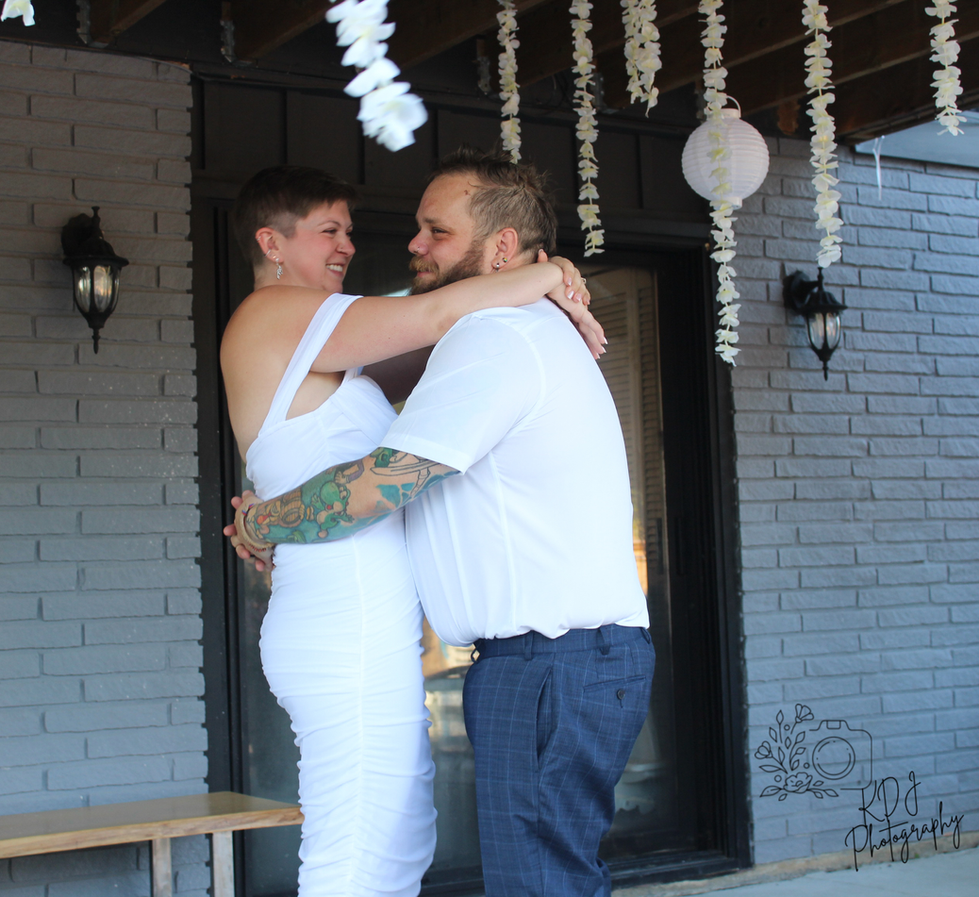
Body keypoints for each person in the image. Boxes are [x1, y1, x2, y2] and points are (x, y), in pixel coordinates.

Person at [229, 149, 655, 897]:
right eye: (329, 230)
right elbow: (430, 321)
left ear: (499, 245)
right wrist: (547, 274)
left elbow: (429, 338)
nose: (357, 246)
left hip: (479, 645)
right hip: (350, 623)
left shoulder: (480, 339)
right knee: (365, 856)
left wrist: (538, 276)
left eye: (436, 231)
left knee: (394, 848)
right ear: (271, 242)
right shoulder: (276, 313)